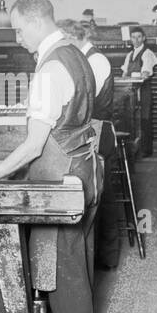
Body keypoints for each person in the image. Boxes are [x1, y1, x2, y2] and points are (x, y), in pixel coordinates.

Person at [0, 0, 103, 313]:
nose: (18, 37)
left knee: (61, 269)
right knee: (76, 262)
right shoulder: (76, 53)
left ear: (34, 23)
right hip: (86, 169)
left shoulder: (49, 69)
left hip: (60, 177)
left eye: (18, 29)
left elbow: (33, 146)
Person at [57, 20, 120, 270]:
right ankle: (95, 256)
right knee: (93, 191)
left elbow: (81, 100)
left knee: (103, 194)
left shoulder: (95, 60)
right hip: (88, 130)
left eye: (64, 39)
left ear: (73, 38)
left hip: (99, 131)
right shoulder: (83, 59)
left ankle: (107, 256)